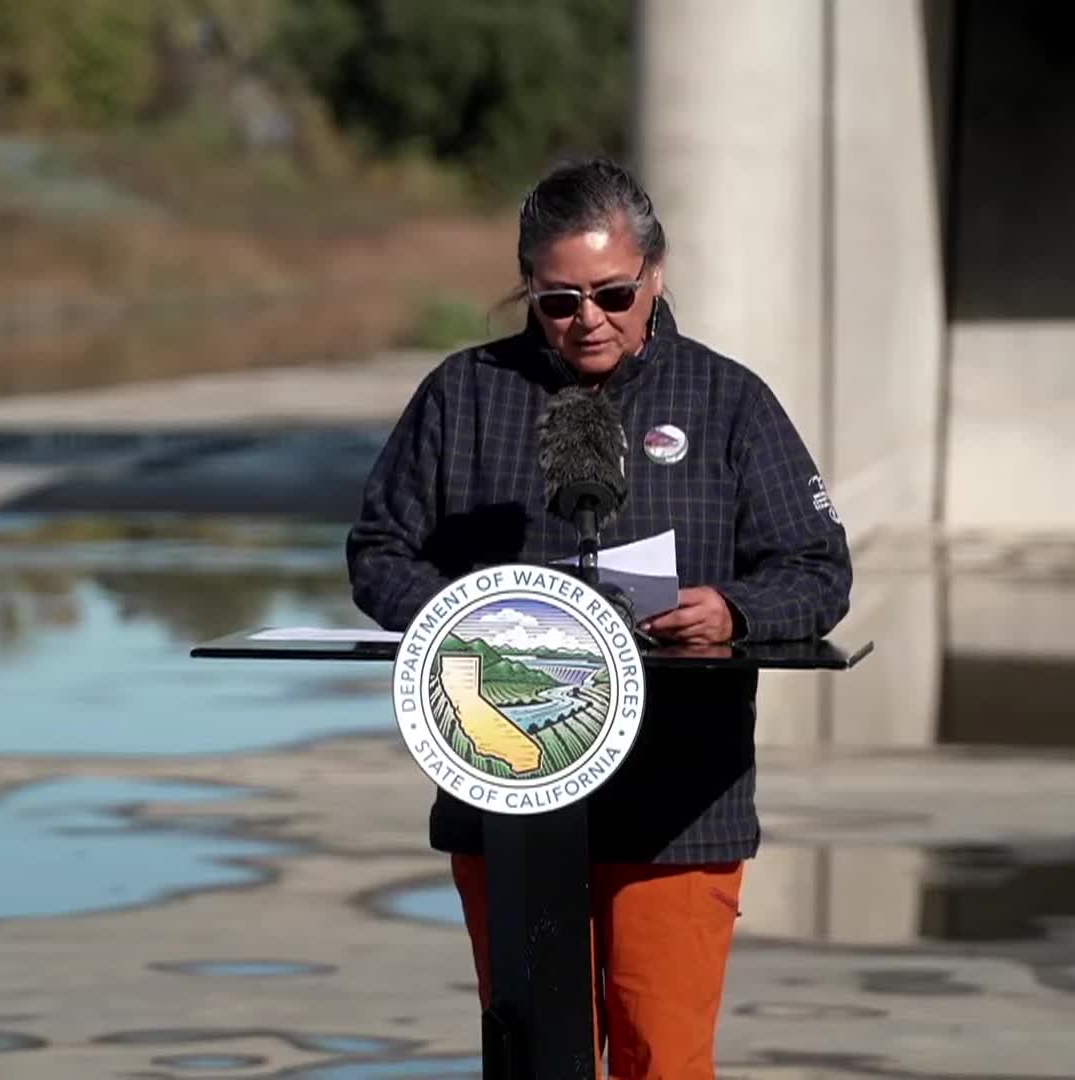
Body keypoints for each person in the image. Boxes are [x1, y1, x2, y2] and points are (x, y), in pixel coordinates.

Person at [346, 157, 852, 1079]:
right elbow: (378, 553)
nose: (590, 320)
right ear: (527, 289)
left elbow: (818, 570)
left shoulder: (729, 401)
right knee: (536, 1057)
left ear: (655, 275)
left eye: (614, 294)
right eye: (559, 301)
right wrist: (478, 614)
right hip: (508, 789)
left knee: (662, 1060)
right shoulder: (461, 398)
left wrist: (734, 609)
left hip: (678, 804)